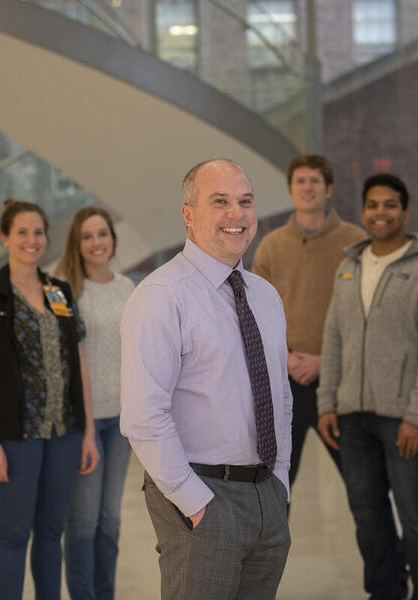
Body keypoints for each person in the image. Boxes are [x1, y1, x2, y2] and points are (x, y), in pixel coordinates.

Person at [120, 159, 292, 600]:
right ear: (188, 214)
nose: (236, 214)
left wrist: (281, 482)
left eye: (245, 202)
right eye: (220, 202)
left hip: (265, 495)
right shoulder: (161, 296)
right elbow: (143, 415)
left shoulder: (265, 295)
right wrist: (196, 504)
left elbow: (281, 396)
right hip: (200, 496)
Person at [317, 173, 418, 600]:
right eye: (373, 205)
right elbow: (334, 336)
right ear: (363, 211)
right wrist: (327, 402)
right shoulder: (348, 266)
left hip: (403, 419)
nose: (381, 212)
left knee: (414, 514)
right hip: (353, 418)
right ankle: (385, 591)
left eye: (390, 204)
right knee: (367, 514)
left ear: (405, 212)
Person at [0, 199, 99, 600]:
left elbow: (79, 365)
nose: (32, 240)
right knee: (15, 533)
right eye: (21, 232)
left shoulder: (60, 291)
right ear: (4, 236)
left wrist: (88, 433)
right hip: (14, 437)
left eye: (38, 232)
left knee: (52, 532)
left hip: (64, 433)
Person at [253, 154, 365, 493]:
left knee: (362, 486)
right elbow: (256, 316)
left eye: (315, 181)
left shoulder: (356, 243)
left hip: (342, 380)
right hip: (287, 378)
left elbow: (366, 315)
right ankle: (271, 548)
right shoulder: (271, 246)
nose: (307, 187)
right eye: (300, 181)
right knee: (277, 487)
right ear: (289, 190)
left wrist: (326, 361)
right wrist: (285, 357)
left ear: (328, 189)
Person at [54, 206, 135, 600]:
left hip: (121, 421)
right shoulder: (64, 290)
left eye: (102, 234)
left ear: (113, 239)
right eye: (87, 236)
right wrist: (84, 429)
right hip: (82, 422)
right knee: (83, 521)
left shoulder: (126, 288)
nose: (97, 242)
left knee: (111, 518)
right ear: (77, 243)